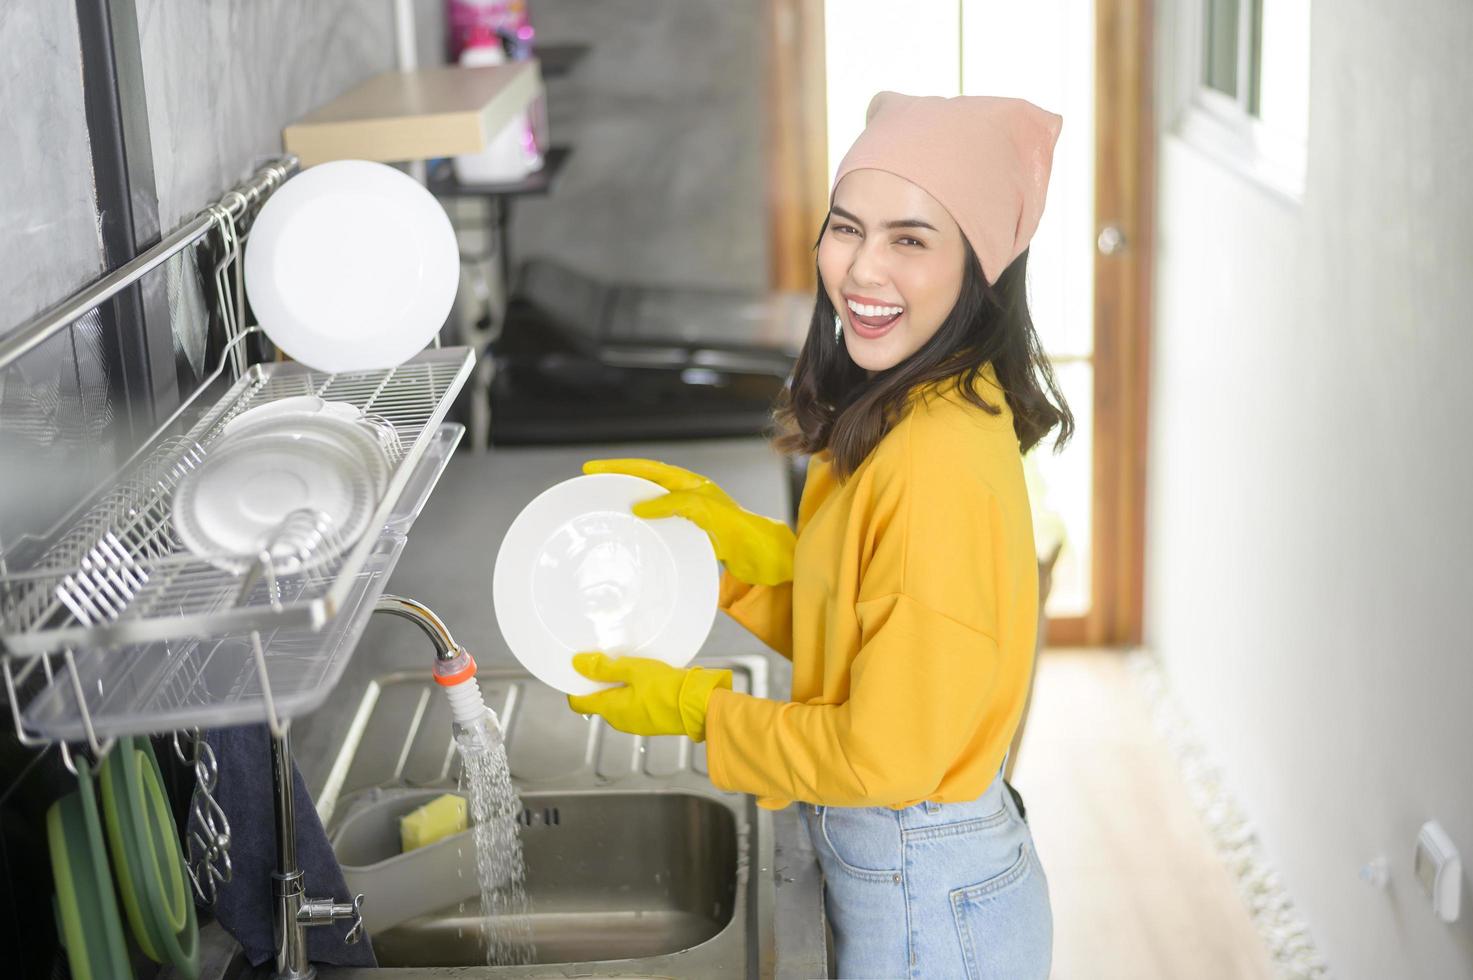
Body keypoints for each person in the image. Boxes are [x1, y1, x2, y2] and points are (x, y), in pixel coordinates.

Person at [564, 91, 1072, 979]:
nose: (863, 271)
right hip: (926, 875)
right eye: (847, 227)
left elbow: (878, 756)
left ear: (977, 267)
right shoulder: (925, 399)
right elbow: (880, 644)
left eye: (910, 239)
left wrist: (697, 709)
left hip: (925, 902)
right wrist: (722, 565)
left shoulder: (933, 461)